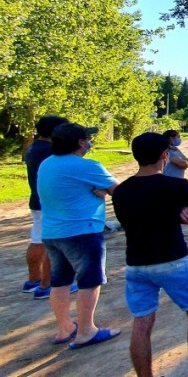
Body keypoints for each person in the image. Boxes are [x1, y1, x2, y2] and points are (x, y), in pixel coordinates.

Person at [113, 133, 188, 377]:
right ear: (164, 156)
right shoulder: (177, 186)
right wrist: (173, 214)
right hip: (173, 259)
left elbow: (131, 221)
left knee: (142, 322)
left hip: (136, 264)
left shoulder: (121, 191)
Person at [38, 123, 121, 348]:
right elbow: (119, 191)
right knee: (90, 281)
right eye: (87, 138)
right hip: (82, 232)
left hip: (52, 232)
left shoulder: (47, 164)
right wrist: (104, 192)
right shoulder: (86, 166)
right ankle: (86, 331)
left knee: (60, 281)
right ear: (81, 143)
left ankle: (65, 329)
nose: (89, 142)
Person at [23, 115, 70, 300]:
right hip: (50, 203)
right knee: (53, 244)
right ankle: (47, 284)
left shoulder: (34, 148)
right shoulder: (50, 151)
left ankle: (34, 280)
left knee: (38, 240)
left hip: (38, 200)